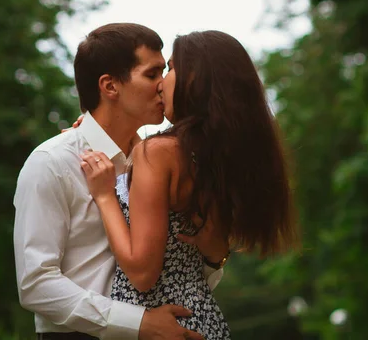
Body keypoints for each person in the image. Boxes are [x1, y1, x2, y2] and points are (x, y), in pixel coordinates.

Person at [13, 23, 229, 340]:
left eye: (164, 72)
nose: (162, 85)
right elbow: (35, 284)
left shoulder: (165, 161)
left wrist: (214, 260)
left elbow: (183, 270)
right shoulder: (54, 162)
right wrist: (137, 323)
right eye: (152, 74)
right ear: (110, 86)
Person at [81, 30, 301, 339]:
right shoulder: (216, 156)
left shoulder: (157, 154)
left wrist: (104, 196)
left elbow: (143, 274)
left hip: (161, 325)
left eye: (170, 68)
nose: (161, 83)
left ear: (194, 80)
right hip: (202, 320)